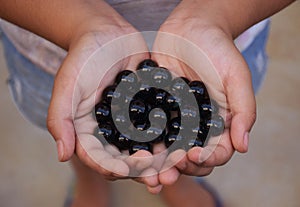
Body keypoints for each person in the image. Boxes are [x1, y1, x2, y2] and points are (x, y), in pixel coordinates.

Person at [0, 0, 295, 206]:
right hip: (48, 42)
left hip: (226, 33)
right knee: (77, 133)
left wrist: (218, 14)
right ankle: (89, 184)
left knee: (182, 153)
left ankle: (177, 180)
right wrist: (79, 24)